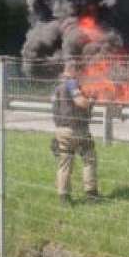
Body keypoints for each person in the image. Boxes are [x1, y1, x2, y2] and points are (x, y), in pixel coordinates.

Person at [52, 59, 98, 205]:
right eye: (79, 72)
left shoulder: (57, 86)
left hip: (60, 129)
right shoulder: (71, 83)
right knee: (89, 158)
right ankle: (91, 194)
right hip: (77, 130)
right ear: (73, 70)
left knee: (65, 163)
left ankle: (64, 197)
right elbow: (80, 102)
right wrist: (90, 101)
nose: (80, 75)